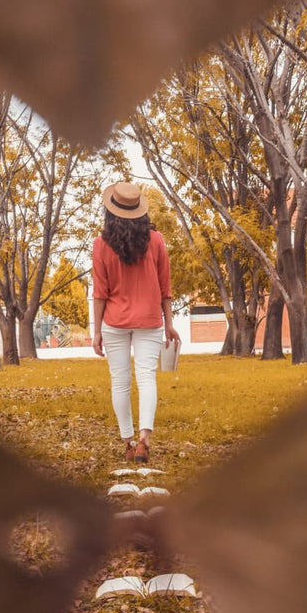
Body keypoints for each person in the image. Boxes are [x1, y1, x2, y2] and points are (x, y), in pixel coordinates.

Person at [92, 182, 181, 463]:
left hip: (114, 321)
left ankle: (128, 444)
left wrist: (96, 332)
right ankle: (144, 441)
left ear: (111, 212)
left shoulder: (101, 244)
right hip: (150, 320)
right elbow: (165, 288)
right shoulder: (156, 240)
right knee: (146, 378)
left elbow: (99, 293)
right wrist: (169, 323)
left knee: (120, 382)